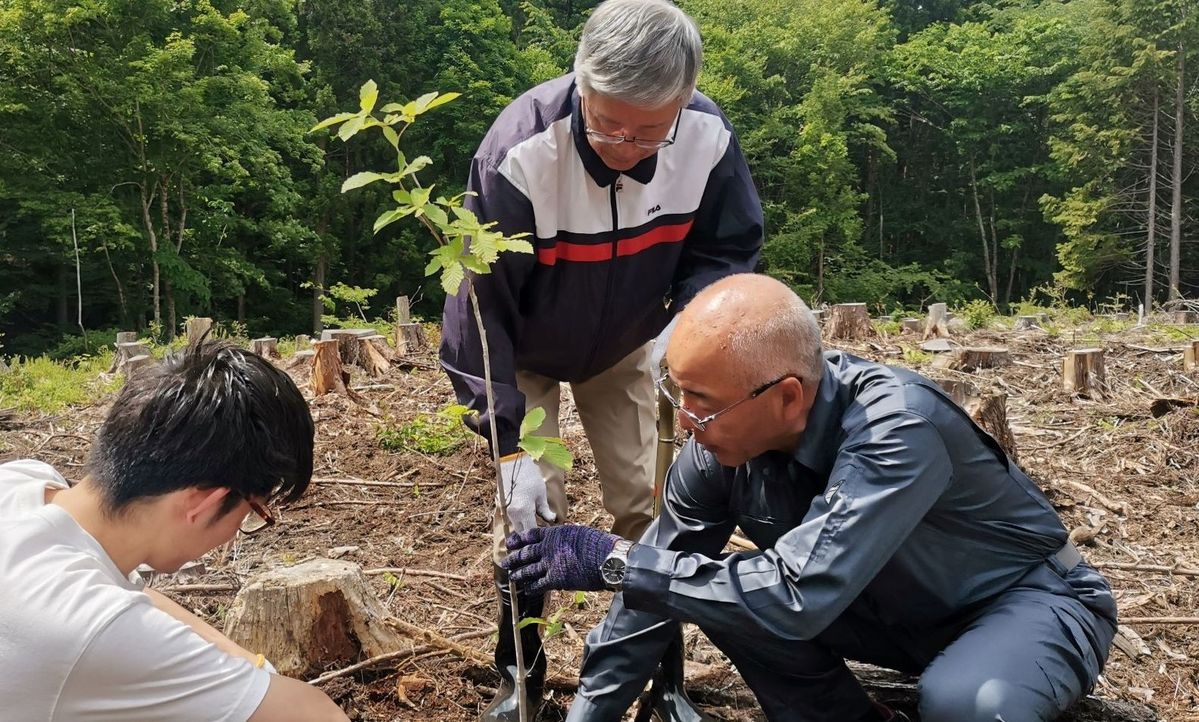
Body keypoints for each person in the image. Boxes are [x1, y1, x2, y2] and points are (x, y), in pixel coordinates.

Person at [501, 274, 1118, 722]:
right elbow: (652, 593)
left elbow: (799, 594)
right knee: (717, 590)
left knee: (967, 705)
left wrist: (615, 561)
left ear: (788, 397)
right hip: (882, 612)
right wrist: (590, 712)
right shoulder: (721, 446)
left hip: (1020, 602)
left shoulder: (896, 430)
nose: (685, 419)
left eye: (703, 402)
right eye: (677, 393)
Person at [439, 0, 763, 718]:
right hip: (524, 345)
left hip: (631, 343)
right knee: (528, 515)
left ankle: (664, 680)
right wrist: (506, 443)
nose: (623, 142)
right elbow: (478, 310)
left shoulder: (707, 136)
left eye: (650, 129)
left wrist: (685, 330)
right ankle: (517, 676)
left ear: (683, 100)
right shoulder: (519, 151)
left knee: (650, 505)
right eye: (607, 120)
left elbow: (725, 248)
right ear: (580, 83)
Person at [0, 340, 350, 722]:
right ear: (202, 503)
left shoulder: (22, 482)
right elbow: (319, 716)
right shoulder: (96, 631)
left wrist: (240, 660)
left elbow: (129, 594)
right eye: (252, 512)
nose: (236, 532)